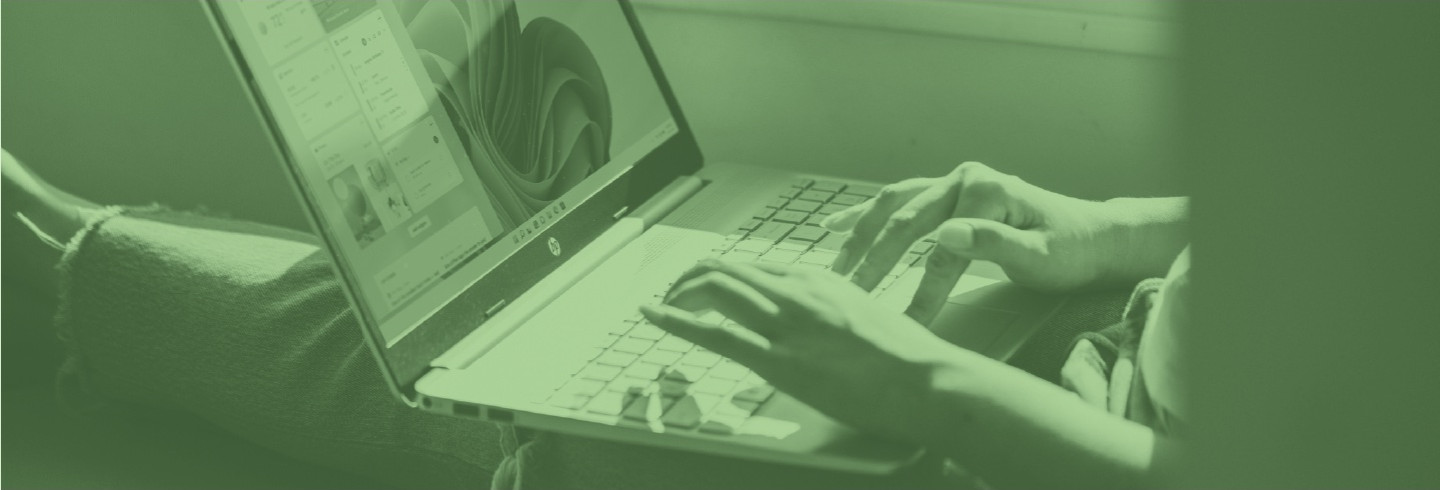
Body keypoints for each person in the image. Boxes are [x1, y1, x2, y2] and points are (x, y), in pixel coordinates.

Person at [3, 148, 1187, 488]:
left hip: (1074, 444)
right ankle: (91, 263)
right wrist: (1123, 229)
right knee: (567, 293)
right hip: (1106, 329)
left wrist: (921, 386)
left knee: (511, 393)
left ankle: (57, 257)